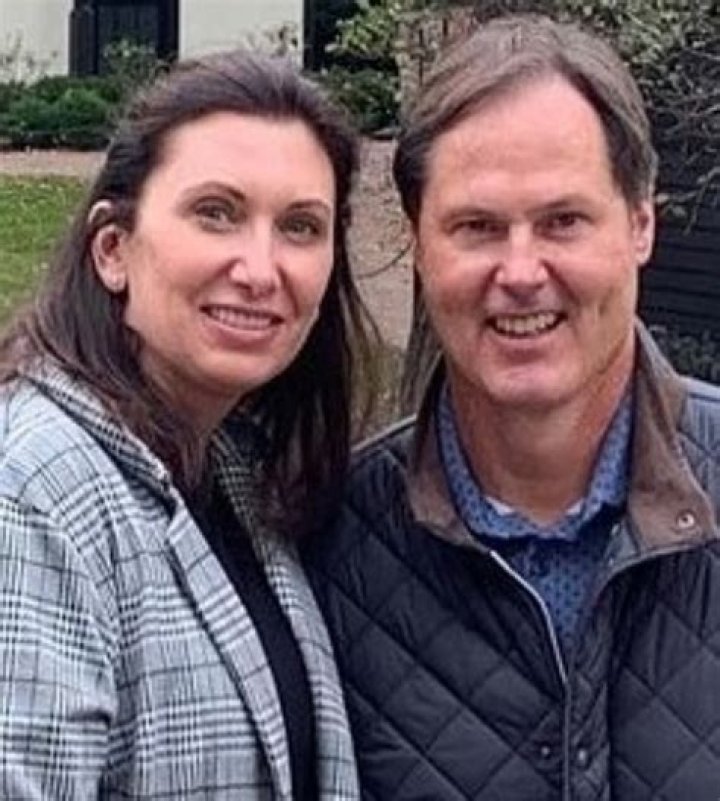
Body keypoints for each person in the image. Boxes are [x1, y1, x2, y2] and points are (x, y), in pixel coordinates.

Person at [305, 13, 720, 799]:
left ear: (641, 224)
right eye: (477, 227)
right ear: (417, 244)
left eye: (563, 221)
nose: (521, 271)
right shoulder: (330, 550)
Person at [0, 50, 369, 799]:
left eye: (300, 226)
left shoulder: (235, 472)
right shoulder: (35, 491)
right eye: (216, 213)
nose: (260, 269)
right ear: (113, 249)